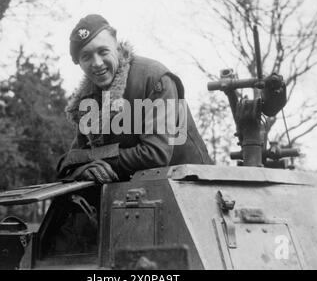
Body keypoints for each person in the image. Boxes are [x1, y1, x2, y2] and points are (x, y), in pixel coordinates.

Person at [57, 14, 213, 183]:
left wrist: (91, 159)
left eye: (103, 51)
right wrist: (82, 169)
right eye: (86, 57)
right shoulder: (88, 98)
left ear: (116, 47)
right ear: (78, 62)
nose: (97, 63)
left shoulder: (154, 78)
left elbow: (155, 154)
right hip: (133, 190)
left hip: (190, 186)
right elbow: (73, 159)